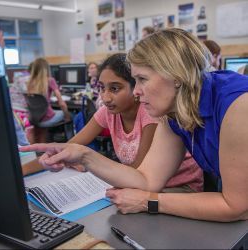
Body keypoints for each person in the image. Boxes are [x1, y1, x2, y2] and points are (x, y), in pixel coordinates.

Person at [20, 28, 248, 222]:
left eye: (142, 79)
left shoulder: (238, 105)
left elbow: (237, 206)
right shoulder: (173, 110)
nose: (137, 92)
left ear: (176, 76)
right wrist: (83, 155)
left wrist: (149, 202)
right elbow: (147, 179)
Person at [27, 58, 70, 127]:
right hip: (47, 119)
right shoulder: (50, 80)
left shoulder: (29, 82)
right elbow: (62, 104)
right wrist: (67, 117)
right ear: (46, 69)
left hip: (34, 120)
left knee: (55, 111)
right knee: (70, 114)